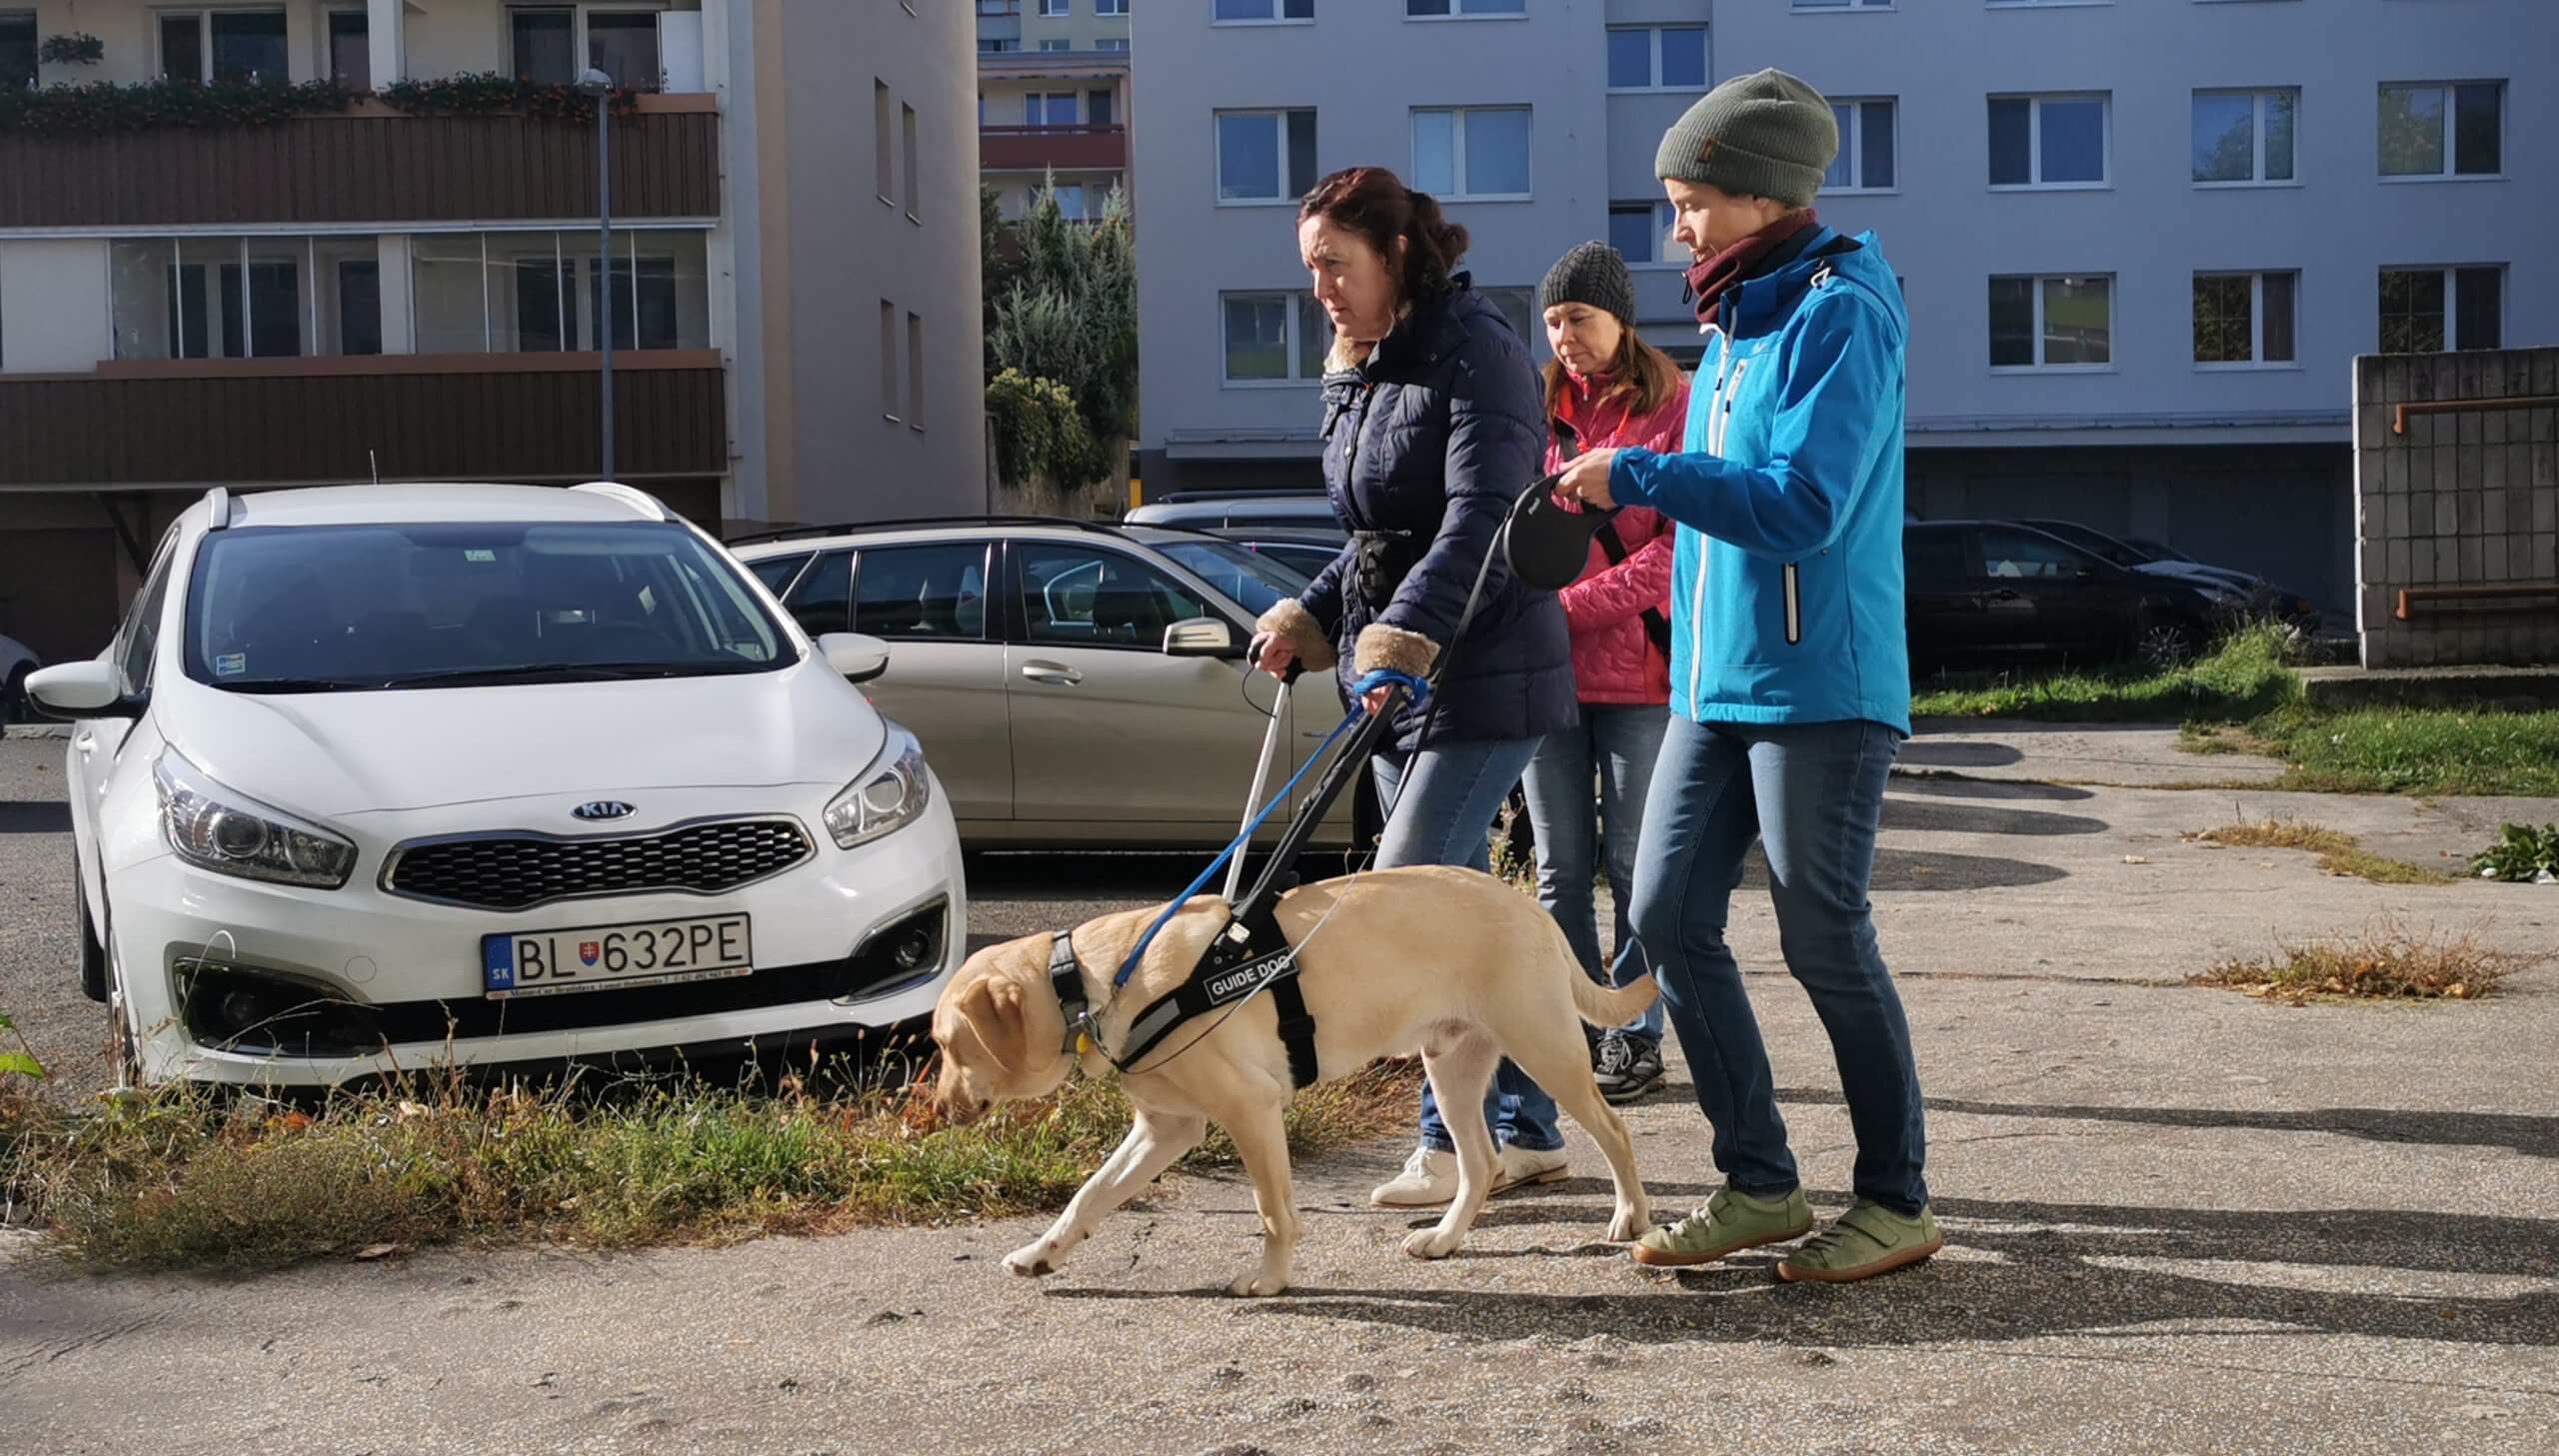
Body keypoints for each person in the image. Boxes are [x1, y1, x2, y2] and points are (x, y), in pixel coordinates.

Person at [1552, 69, 1942, 1284]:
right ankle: (1759, 1179)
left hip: (1822, 681)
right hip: (1716, 686)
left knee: (1823, 930)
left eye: (1691, 203)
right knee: (1663, 916)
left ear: (1762, 196)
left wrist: (1640, 475)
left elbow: (1804, 507)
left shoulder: (1843, 308)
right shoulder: (1737, 320)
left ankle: (1895, 1197)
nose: (1676, 229)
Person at [1252, 165, 1577, 1209]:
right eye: (1310, 271)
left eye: (1334, 266)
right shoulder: (1363, 365)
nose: (1321, 292)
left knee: (1402, 908)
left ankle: (1451, 1143)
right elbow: (1372, 535)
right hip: (1392, 684)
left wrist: (1405, 631)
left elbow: (1483, 515)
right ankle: (1520, 1127)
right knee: (1460, 923)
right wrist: (1313, 610)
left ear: (1394, 255)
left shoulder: (1475, 351)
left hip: (1482, 676)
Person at [1517, 241, 1686, 1106]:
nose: (1565, 336)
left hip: (1640, 680)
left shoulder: (1675, 408)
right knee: (1558, 867)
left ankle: (1635, 1033)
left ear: (1621, 316)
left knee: (1633, 862)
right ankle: (1574, 1025)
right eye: (1553, 321)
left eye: (1578, 317)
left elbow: (1674, 553)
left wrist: (1567, 611)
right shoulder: (1536, 408)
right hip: (1549, 676)